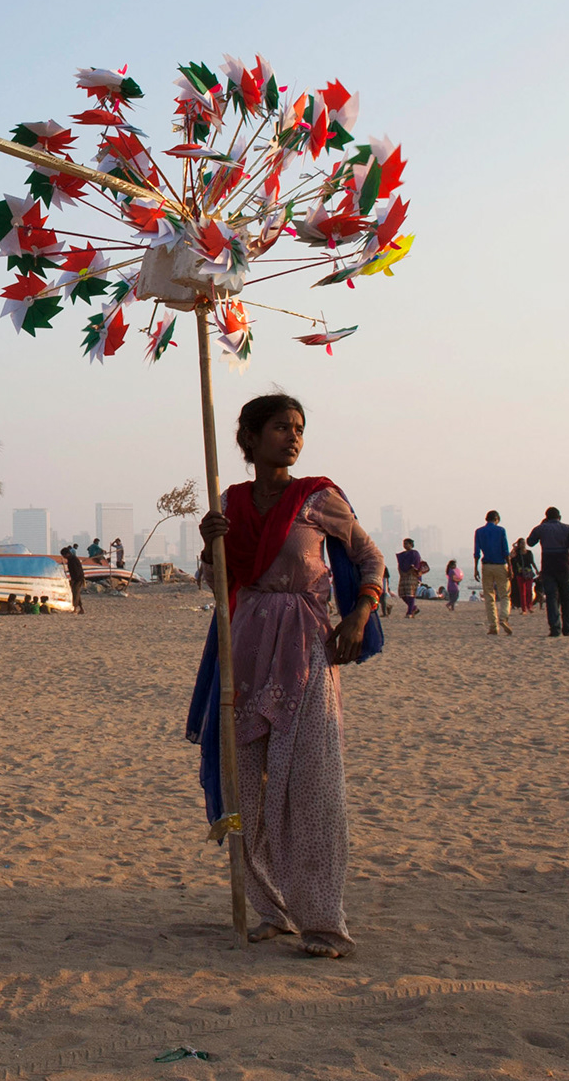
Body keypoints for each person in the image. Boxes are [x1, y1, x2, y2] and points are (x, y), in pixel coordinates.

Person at [190, 393, 383, 959]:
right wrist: (211, 544)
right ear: (248, 439)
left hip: (306, 649)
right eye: (279, 427)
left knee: (313, 786)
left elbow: (370, 560)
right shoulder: (231, 503)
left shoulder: (318, 497)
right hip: (244, 647)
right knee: (242, 783)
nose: (293, 437)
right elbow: (217, 582)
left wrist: (359, 613)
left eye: (298, 428)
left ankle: (323, 921)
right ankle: (271, 909)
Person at [527, 507, 569, 637]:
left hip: (548, 567)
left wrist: (542, 526)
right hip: (565, 566)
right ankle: (568, 629)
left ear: (546, 517)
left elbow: (530, 542)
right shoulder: (568, 529)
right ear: (559, 517)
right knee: (567, 599)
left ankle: (555, 629)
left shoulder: (540, 528)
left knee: (551, 599)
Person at [472, 511, 512, 635]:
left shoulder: (479, 531)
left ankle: (493, 626)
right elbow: (505, 550)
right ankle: (503, 617)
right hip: (500, 564)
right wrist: (510, 567)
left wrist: (475, 568)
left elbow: (477, 552)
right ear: (496, 519)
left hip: (486, 565)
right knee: (505, 594)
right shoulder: (500, 531)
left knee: (489, 596)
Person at [394, 539, 422, 617]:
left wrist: (410, 571)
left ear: (411, 544)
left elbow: (415, 565)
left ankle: (409, 612)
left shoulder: (414, 553)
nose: (405, 545)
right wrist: (401, 572)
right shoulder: (402, 554)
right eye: (404, 544)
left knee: (410, 594)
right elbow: (399, 564)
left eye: (407, 544)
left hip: (412, 576)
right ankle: (413, 608)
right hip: (403, 576)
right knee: (402, 594)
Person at [509, 539, 537, 615]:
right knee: (522, 592)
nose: (523, 544)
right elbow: (510, 557)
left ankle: (529, 606)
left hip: (528, 573)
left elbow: (532, 562)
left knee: (529, 590)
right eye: (521, 543)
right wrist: (514, 548)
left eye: (524, 543)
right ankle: (524, 609)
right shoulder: (517, 553)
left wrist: (536, 570)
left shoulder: (529, 552)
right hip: (520, 573)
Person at [61, 544, 86, 614]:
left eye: (64, 555)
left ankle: (75, 608)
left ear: (67, 554)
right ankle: (81, 608)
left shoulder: (73, 560)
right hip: (76, 578)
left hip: (78, 579)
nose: (63, 557)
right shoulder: (71, 559)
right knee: (76, 593)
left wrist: (73, 580)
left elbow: (76, 571)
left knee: (75, 593)